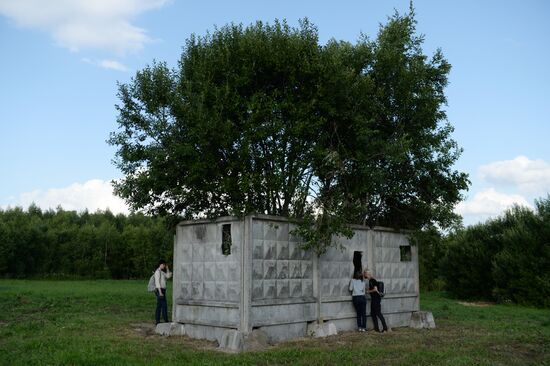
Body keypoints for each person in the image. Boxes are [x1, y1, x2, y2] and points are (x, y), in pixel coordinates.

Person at [154, 259, 172, 325]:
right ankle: (166, 320)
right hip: (159, 290)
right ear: (161, 264)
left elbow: (168, 276)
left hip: (162, 290)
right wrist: (160, 292)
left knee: (159, 305)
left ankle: (157, 321)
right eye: (164, 265)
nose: (164, 266)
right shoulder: (157, 272)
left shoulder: (162, 272)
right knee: (164, 305)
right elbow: (157, 283)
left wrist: (167, 269)